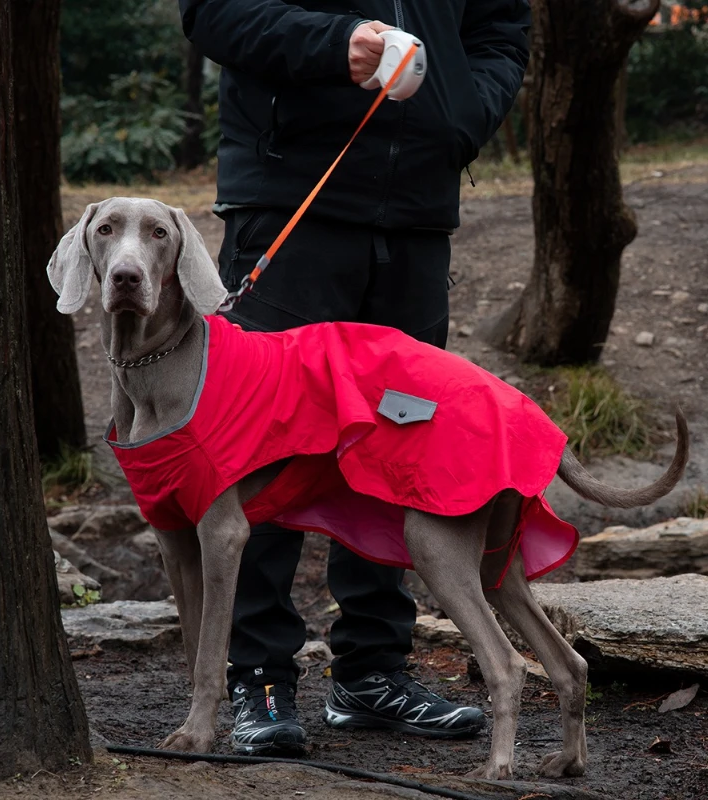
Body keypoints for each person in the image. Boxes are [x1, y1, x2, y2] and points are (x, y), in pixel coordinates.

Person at [178, 0, 531, 754]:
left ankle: (372, 671)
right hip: (289, 201)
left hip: (415, 218)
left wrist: (459, 114)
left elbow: (501, 31)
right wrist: (334, 44)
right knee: (262, 445)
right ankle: (259, 676)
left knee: (402, 444)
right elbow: (213, 13)